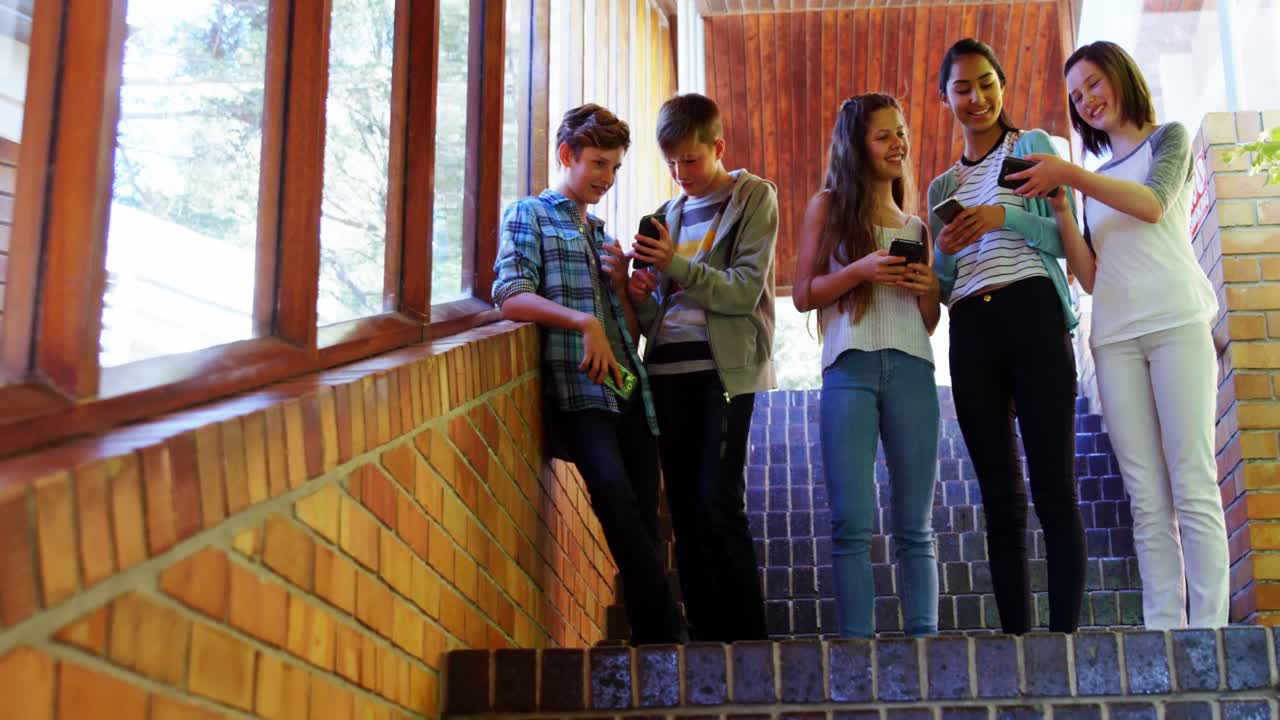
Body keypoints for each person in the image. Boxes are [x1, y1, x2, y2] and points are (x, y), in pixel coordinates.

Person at [1007, 40, 1229, 629]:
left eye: (1093, 84)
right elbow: (1088, 275)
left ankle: (1209, 631)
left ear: (1120, 76)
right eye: (1076, 97)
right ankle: (1164, 629)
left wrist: (1070, 174)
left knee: (1192, 479)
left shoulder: (1168, 139)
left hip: (1177, 322)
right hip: (1115, 338)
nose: (1086, 102)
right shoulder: (1092, 181)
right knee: (1145, 495)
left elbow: (1154, 204)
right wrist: (1060, 208)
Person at [492, 103, 686, 645]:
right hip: (580, 388)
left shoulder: (602, 235)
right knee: (614, 498)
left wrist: (624, 290)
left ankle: (658, 649)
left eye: (615, 168)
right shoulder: (529, 214)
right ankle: (676, 633)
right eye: (599, 164)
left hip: (627, 387)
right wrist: (581, 321)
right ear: (566, 156)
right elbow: (509, 296)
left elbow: (625, 330)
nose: (607, 178)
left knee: (646, 520)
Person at [927, 38, 1086, 634]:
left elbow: (1057, 237)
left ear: (1001, 83)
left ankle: (1064, 636)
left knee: (1052, 480)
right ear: (944, 98)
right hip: (971, 325)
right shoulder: (941, 188)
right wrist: (943, 255)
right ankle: (1016, 639)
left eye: (986, 82)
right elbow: (945, 285)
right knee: (999, 492)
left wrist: (1003, 216)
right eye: (962, 87)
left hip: (1033, 310)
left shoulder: (1033, 147)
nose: (977, 97)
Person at [627, 93, 778, 642]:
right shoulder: (667, 215)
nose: (680, 173)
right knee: (685, 516)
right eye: (670, 162)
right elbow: (654, 319)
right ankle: (710, 647)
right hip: (666, 373)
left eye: (690, 160)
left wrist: (676, 265)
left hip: (724, 373)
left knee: (718, 501)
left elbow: (743, 292)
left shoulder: (753, 197)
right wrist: (640, 290)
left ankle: (752, 646)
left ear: (718, 146)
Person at [792, 93, 941, 639]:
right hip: (848, 369)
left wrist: (929, 289)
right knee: (850, 522)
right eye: (884, 135)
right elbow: (804, 295)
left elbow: (927, 322)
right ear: (858, 146)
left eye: (900, 132)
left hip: (912, 369)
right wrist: (860, 268)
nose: (898, 142)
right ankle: (858, 652)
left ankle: (925, 645)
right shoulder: (826, 207)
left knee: (915, 526)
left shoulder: (916, 226)